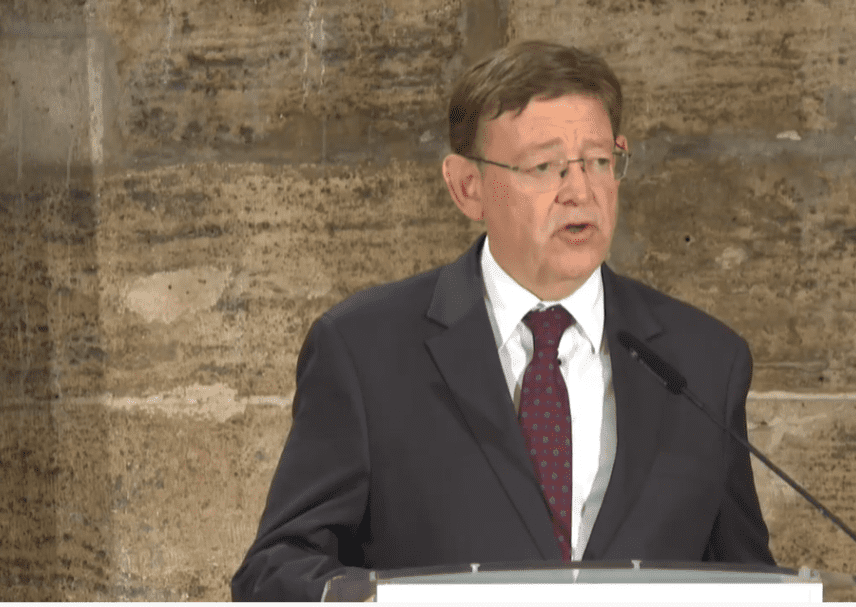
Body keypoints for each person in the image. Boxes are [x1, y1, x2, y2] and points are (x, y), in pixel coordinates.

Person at [231, 40, 774, 601]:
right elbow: (274, 572)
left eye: (598, 161)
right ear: (468, 188)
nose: (580, 192)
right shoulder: (363, 351)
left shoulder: (704, 362)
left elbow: (749, 582)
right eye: (545, 167)